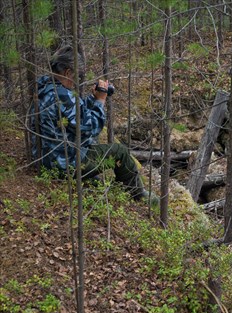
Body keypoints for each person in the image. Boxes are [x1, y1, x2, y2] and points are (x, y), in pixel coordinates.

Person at [31, 45, 157, 204]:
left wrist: (92, 98)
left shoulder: (45, 88)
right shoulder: (62, 94)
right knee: (120, 151)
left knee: (96, 158)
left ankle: (108, 184)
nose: (77, 79)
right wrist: (101, 100)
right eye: (77, 74)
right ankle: (138, 196)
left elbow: (75, 116)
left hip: (47, 159)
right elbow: (91, 128)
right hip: (63, 164)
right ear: (68, 72)